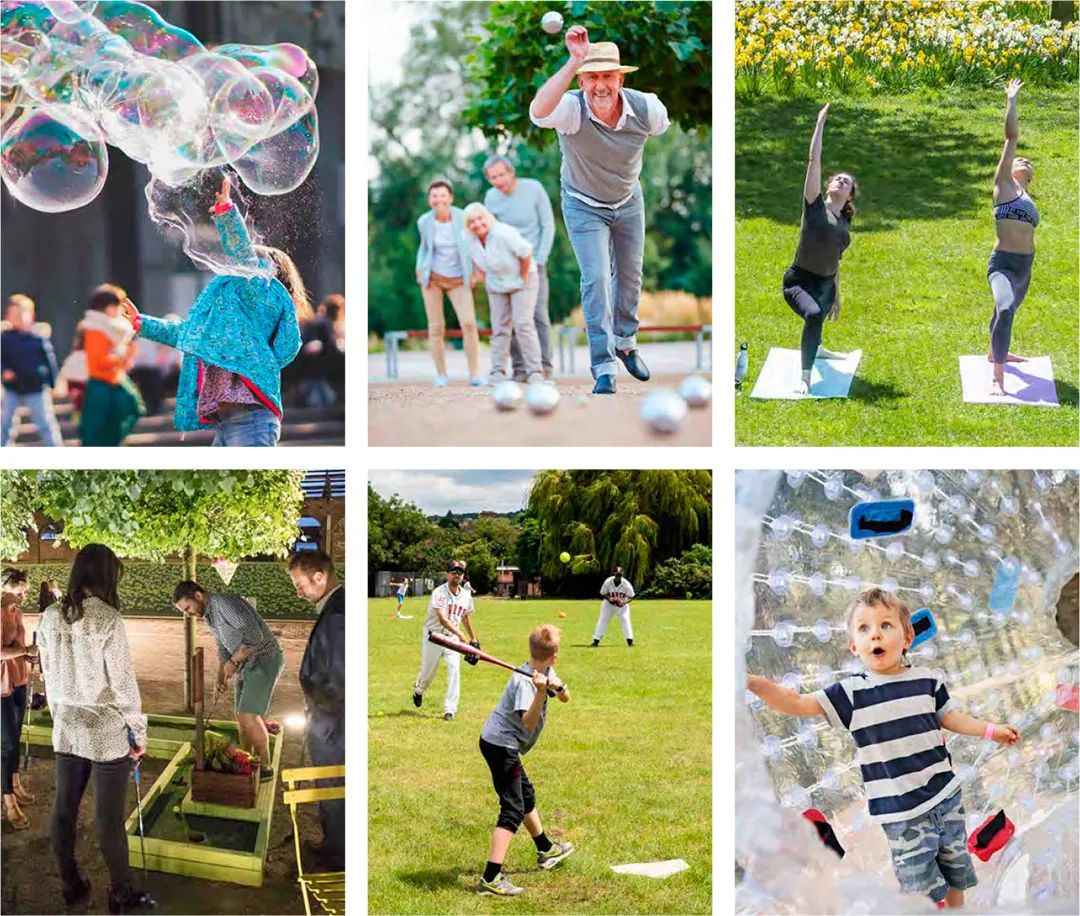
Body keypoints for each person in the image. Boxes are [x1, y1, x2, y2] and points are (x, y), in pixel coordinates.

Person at [746, 588, 1021, 909]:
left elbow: (951, 718)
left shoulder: (927, 680)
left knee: (956, 874)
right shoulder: (851, 694)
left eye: (885, 625)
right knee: (921, 891)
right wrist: (754, 683)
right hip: (902, 816)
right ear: (854, 645)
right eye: (864, 628)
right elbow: (796, 703)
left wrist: (992, 730)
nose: (875, 633)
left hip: (945, 798)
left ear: (907, 637)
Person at [530, 28, 669, 395]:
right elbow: (537, 112)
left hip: (627, 200)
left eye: (608, 76)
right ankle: (603, 366)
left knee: (630, 276)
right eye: (592, 77)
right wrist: (574, 60)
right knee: (595, 280)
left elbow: (660, 129)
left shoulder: (647, 109)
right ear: (582, 81)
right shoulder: (571, 109)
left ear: (620, 78)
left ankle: (625, 342)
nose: (601, 85)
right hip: (582, 203)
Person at [120, 176, 306, 446]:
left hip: (252, 419)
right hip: (228, 420)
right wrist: (141, 323)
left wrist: (227, 213)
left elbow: (243, 257)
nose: (236, 267)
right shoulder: (230, 317)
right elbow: (186, 333)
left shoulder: (263, 295)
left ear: (272, 274)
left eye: (255, 263)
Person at [36, 544, 149, 913]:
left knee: (64, 808)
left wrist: (58, 714)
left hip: (67, 726)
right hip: (104, 730)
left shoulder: (50, 617)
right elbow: (124, 684)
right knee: (108, 818)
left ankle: (71, 882)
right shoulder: (107, 619)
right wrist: (138, 732)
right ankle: (121, 892)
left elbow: (49, 674)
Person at [476, 624, 573, 896]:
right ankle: (490, 879)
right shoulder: (523, 682)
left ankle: (545, 848)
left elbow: (566, 697)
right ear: (554, 655)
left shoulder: (546, 671)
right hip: (500, 745)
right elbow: (527, 724)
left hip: (504, 745)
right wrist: (540, 692)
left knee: (525, 796)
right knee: (513, 809)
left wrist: (557, 687)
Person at [173, 580, 284, 780]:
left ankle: (265, 767)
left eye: (188, 608)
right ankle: (246, 760)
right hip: (245, 665)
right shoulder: (209, 615)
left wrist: (234, 661)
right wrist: (220, 678)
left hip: (264, 660)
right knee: (240, 717)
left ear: (198, 595)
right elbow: (223, 648)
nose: (188, 614)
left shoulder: (224, 604)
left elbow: (255, 638)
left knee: (248, 715)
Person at [782, 103, 857, 395]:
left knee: (819, 316)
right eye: (837, 178)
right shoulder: (814, 205)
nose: (840, 180)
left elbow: (835, 262)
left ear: (850, 195)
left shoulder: (844, 226)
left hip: (825, 286)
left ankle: (819, 350)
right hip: (798, 282)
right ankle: (805, 377)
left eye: (846, 181)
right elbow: (814, 161)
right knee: (813, 316)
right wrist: (819, 124)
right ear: (827, 187)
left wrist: (837, 295)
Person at [287, 552, 345, 870]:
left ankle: (337, 853)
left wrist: (316, 709)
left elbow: (338, 677)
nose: (298, 592)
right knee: (330, 785)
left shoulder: (336, 615)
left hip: (332, 724)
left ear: (320, 576)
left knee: (332, 783)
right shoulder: (335, 607)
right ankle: (334, 843)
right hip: (329, 718)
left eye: (300, 584)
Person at [482, 155, 556, 380]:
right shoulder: (491, 198)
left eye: (501, 174)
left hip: (534, 263)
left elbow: (547, 224)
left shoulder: (534, 189)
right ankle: (520, 369)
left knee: (537, 315)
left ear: (511, 172)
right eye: (493, 177)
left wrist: (541, 258)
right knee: (509, 318)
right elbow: (488, 232)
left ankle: (544, 368)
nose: (498, 180)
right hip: (505, 267)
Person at [987, 79, 1038, 397]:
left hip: (1025, 265)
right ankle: (997, 378)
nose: (1022, 160)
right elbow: (1011, 136)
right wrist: (1012, 101)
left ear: (1030, 177)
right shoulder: (1003, 184)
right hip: (1004, 262)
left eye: (1027, 163)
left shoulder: (1028, 200)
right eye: (1019, 160)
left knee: (1005, 311)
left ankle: (996, 352)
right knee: (1004, 308)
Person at [463, 203, 546, 385]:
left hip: (523, 279)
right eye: (471, 221)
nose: (477, 224)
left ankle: (535, 373)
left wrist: (522, 280)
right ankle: (497, 374)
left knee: (523, 325)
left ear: (488, 218)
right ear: (467, 226)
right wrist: (477, 278)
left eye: (480, 218)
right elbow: (478, 262)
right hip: (496, 284)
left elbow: (526, 253)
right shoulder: (469, 240)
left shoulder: (502, 232)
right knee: (499, 329)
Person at [414, 179, 484, 387]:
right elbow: (424, 248)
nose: (439, 199)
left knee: (469, 324)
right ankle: (442, 374)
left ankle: (474, 374)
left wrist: (476, 271)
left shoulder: (462, 218)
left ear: (450, 198)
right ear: (430, 200)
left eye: (443, 195)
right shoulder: (424, 221)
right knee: (436, 327)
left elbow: (472, 245)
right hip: (433, 278)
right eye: (434, 196)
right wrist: (420, 270)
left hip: (458, 279)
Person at [413, 560, 480, 722]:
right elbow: (443, 619)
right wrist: (463, 637)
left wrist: (473, 638)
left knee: (454, 670)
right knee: (428, 672)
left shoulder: (465, 595)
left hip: (452, 638)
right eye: (453, 571)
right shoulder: (439, 592)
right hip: (433, 636)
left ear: (463, 576)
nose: (457, 575)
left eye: (460, 572)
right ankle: (419, 690)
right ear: (447, 574)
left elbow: (465, 616)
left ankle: (450, 709)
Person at [78, 284, 145, 446]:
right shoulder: (95, 328)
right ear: (107, 307)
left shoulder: (111, 327)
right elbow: (99, 361)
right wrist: (123, 356)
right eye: (117, 305)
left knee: (131, 410)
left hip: (115, 380)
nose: (120, 310)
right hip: (101, 384)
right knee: (97, 430)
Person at [1, 293, 64, 446]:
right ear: (8, 316)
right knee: (6, 423)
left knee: (45, 422)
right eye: (14, 314)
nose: (19, 318)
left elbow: (50, 362)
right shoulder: (5, 338)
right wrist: (4, 371)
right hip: (13, 388)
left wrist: (53, 384)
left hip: (36, 387)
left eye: (22, 313)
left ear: (31, 315)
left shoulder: (38, 338)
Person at [2, 569, 37, 830]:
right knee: (7, 743)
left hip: (19, 679)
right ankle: (8, 801)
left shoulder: (17, 611)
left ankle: (15, 783)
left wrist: (30, 656)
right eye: (21, 590)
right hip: (1, 684)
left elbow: (19, 647)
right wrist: (24, 650)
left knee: (16, 736)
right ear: (5, 587)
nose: (25, 595)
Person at [590, 566, 635, 647]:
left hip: (622, 607)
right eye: (617, 574)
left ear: (622, 574)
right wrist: (610, 598)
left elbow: (631, 596)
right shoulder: (608, 582)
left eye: (620, 575)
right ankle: (596, 641)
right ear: (614, 574)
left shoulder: (626, 584)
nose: (618, 576)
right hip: (608, 605)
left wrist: (624, 602)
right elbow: (603, 593)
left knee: (625, 620)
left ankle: (630, 641)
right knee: (603, 620)